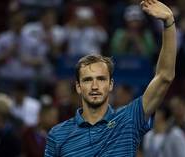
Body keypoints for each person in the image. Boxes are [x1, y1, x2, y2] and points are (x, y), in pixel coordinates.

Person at [44, 0, 177, 156]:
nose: (95, 86)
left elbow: (164, 76)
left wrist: (169, 23)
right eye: (87, 80)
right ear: (78, 86)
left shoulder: (129, 120)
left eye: (101, 79)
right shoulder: (58, 134)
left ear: (111, 84)